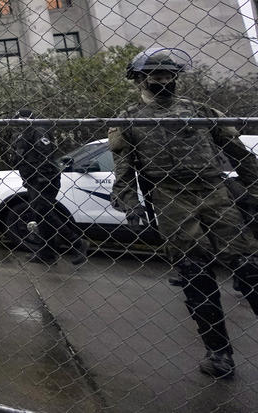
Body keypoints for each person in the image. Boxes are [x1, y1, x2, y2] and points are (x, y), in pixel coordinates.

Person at [109, 47, 258, 379]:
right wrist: (127, 199)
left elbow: (237, 152)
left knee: (248, 264)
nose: (163, 79)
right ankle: (219, 353)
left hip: (213, 190)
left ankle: (219, 351)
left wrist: (255, 187)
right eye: (156, 74)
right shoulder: (130, 119)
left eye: (168, 74)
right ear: (141, 79)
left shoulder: (201, 111)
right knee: (196, 273)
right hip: (171, 195)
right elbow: (124, 166)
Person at [11, 108, 88, 265]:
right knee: (41, 215)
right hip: (32, 179)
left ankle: (77, 242)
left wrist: (42, 177)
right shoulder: (23, 134)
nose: (17, 122)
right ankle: (47, 253)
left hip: (44, 179)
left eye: (19, 119)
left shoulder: (38, 130)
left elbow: (45, 155)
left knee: (44, 212)